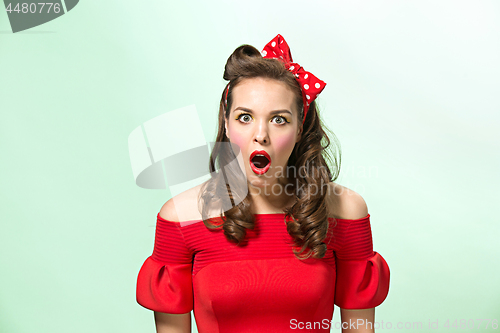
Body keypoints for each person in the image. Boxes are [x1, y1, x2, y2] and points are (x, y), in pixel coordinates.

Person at [136, 34, 390, 333]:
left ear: (299, 129)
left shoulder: (344, 210)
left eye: (279, 119)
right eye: (245, 117)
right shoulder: (180, 217)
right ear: (227, 125)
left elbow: (359, 328)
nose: (261, 134)